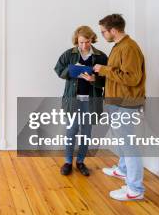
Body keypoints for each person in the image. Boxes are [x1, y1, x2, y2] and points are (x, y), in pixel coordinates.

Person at [93, 14, 146, 201]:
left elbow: (132, 78)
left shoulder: (129, 48)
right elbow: (117, 75)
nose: (102, 35)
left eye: (103, 32)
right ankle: (123, 170)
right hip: (116, 102)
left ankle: (135, 190)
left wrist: (104, 70)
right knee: (123, 140)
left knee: (129, 145)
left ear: (113, 30)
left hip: (126, 103)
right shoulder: (119, 46)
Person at [54, 26, 108, 176]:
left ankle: (81, 162)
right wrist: (71, 72)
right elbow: (58, 70)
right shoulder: (69, 54)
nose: (84, 46)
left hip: (90, 101)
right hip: (73, 100)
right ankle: (67, 162)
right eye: (81, 42)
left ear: (92, 40)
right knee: (71, 131)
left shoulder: (101, 57)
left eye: (87, 42)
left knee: (86, 132)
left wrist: (94, 80)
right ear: (77, 40)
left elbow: (107, 81)